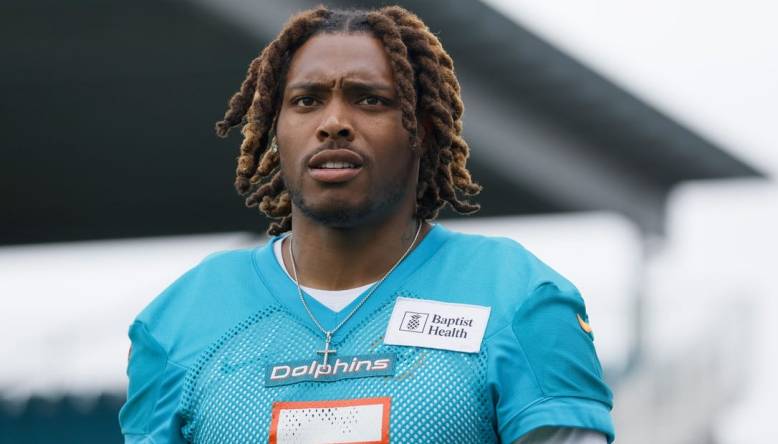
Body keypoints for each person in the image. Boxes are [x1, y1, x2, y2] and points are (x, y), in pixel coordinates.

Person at [119, 6, 614, 443]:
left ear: (421, 128)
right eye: (307, 100)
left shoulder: (518, 297)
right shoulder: (180, 320)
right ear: (274, 128)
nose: (334, 122)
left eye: (370, 99)